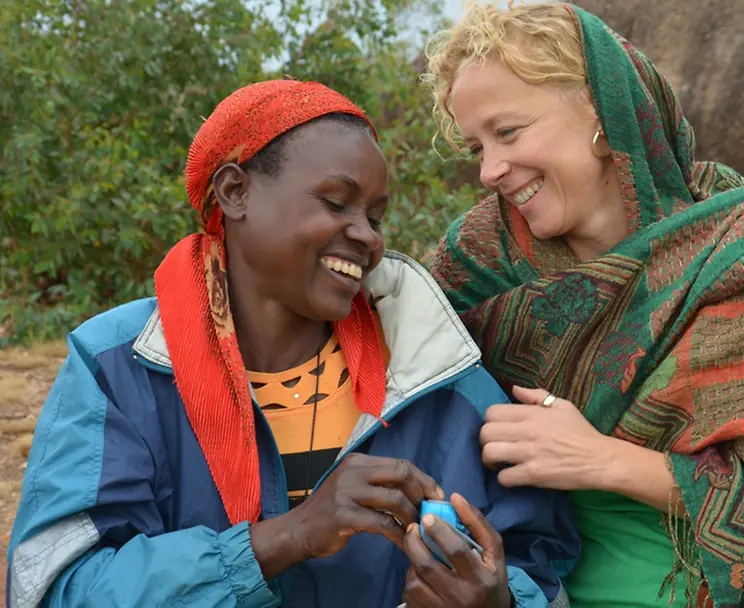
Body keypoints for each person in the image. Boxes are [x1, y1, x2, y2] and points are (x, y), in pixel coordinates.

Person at [6, 80, 579, 608]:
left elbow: (543, 569)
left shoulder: (436, 371)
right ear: (235, 192)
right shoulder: (120, 367)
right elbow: (55, 585)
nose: (367, 236)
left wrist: (499, 601)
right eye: (336, 202)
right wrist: (287, 537)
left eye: (376, 216)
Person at [423, 3, 744, 607]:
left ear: (602, 112)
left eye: (508, 132)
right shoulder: (480, 263)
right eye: (477, 146)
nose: (490, 170)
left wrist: (602, 460)